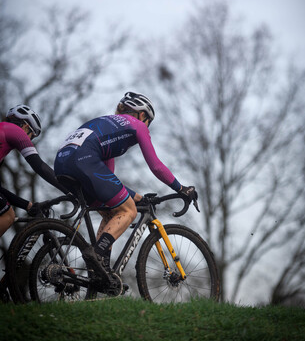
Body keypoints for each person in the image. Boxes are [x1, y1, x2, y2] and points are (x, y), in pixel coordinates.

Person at [54, 91, 196, 277]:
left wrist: (137, 197)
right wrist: (181, 188)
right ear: (142, 114)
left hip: (61, 163)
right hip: (85, 162)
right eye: (149, 122)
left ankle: (100, 271)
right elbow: (156, 166)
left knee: (112, 210)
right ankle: (96, 254)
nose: (148, 127)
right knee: (129, 211)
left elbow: (108, 183)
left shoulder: (107, 124)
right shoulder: (137, 125)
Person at [0, 104, 68, 237]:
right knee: (8, 216)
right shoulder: (15, 131)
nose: (29, 140)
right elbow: (40, 166)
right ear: (26, 126)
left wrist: (28, 206)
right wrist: (68, 189)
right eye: (31, 136)